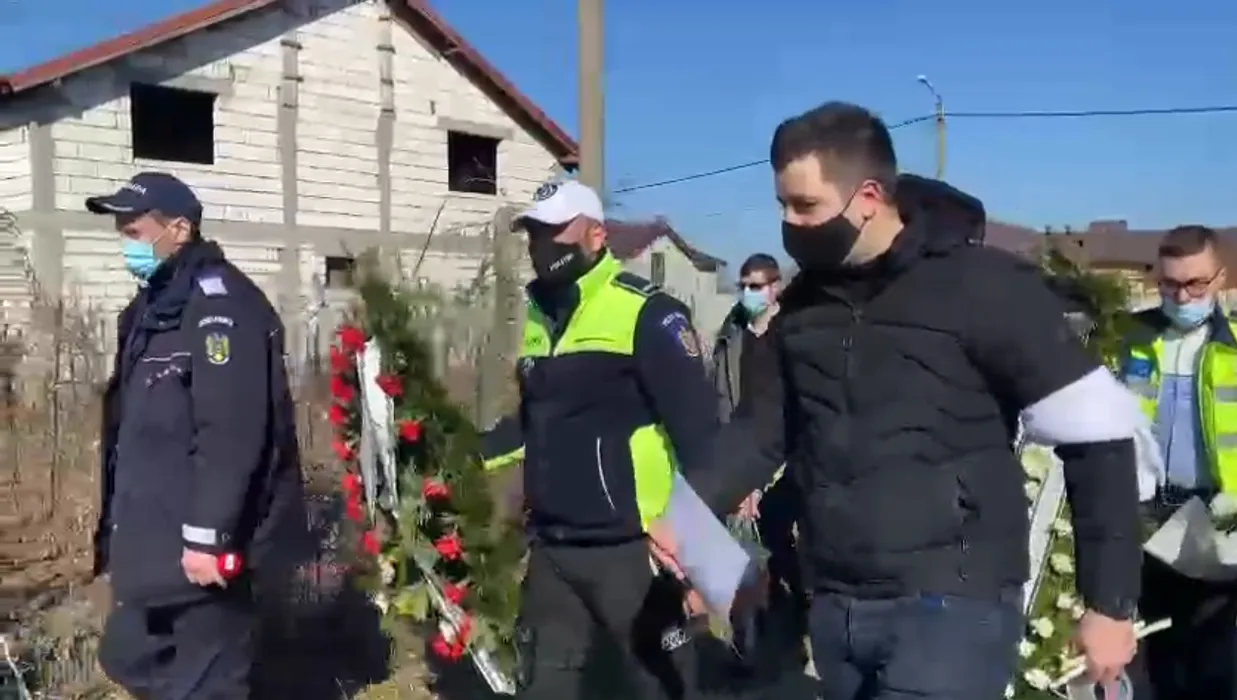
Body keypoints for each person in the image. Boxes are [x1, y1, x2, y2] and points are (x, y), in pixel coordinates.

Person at [649, 102, 1145, 700]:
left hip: (954, 603)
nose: (789, 223)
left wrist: (1109, 604)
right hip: (838, 603)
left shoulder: (984, 287)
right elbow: (760, 431)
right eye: (781, 204)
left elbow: (1097, 435)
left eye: (805, 206)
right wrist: (687, 513)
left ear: (867, 197)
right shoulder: (805, 309)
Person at [481, 180, 718, 700]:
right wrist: (462, 456)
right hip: (554, 548)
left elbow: (701, 439)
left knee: (662, 684)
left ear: (596, 235)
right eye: (535, 233)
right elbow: (534, 422)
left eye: (555, 230)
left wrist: (703, 560)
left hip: (634, 549)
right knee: (544, 684)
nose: (542, 244)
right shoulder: (540, 319)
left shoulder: (648, 313)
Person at [89, 172, 308, 700]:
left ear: (180, 229)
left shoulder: (221, 308)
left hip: (202, 550)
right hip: (154, 542)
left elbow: (231, 432)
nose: (125, 243)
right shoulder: (153, 309)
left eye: (135, 231)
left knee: (207, 680)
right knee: (125, 656)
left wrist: (209, 537)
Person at [1122, 225, 1237, 700]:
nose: (1182, 296)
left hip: (1220, 523)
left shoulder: (1233, 345)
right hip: (1147, 517)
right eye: (1170, 284)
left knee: (1217, 663)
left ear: (1221, 279)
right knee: (1156, 657)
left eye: (1195, 284)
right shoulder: (1133, 339)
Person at [712, 253, 807, 665]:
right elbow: (722, 402)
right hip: (741, 451)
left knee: (777, 535)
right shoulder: (731, 336)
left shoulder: (793, 335)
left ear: (775, 287)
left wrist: (767, 476)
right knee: (740, 548)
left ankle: (798, 612)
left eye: (756, 286)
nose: (748, 294)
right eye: (743, 286)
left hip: (787, 456)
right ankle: (749, 639)